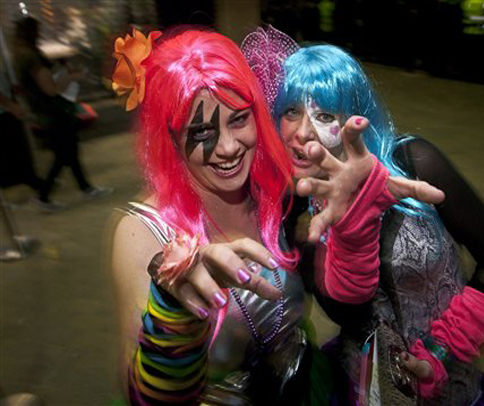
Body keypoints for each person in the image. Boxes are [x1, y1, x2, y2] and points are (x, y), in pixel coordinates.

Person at [110, 26, 445, 405]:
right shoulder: (142, 233)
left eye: (238, 119)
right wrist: (173, 314)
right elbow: (146, 401)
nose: (229, 148)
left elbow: (348, 301)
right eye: (201, 130)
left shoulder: (275, 192)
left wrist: (355, 224)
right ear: (170, 137)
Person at [247, 37, 484, 405]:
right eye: (292, 111)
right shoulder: (298, 211)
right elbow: (346, 311)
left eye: (325, 115)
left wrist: (440, 354)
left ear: (356, 120)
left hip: (452, 386)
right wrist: (349, 227)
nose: (302, 133)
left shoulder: (412, 163)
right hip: (362, 388)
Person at [13, 17, 111, 211]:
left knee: (69, 152)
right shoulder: (30, 56)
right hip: (53, 112)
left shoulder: (20, 55)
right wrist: (71, 77)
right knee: (64, 154)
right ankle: (44, 196)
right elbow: (51, 88)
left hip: (45, 112)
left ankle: (85, 188)